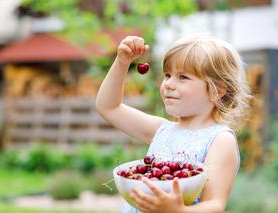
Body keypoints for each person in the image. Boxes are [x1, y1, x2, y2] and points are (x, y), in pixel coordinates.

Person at [96, 35, 251, 213]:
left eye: (183, 77)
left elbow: (214, 205)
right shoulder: (161, 130)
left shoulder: (220, 140)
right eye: (167, 75)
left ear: (217, 90)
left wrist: (178, 211)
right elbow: (108, 107)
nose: (169, 84)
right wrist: (122, 63)